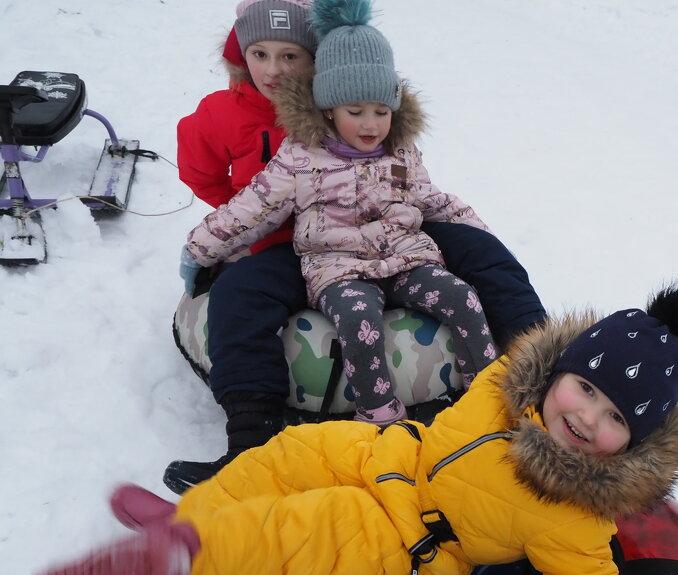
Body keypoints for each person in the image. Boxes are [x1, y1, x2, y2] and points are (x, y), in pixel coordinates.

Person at [31, 280, 678, 575]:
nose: (588, 418)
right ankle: (192, 516)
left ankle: (182, 563)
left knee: (311, 527)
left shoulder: (581, 506)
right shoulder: (512, 382)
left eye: (617, 421)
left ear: (633, 445)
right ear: (562, 370)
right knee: (285, 453)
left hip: (420, 538)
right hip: (395, 454)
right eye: (589, 389)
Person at [167, 0, 546, 493]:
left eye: (291, 57)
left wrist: (476, 231)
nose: (275, 71)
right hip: (299, 243)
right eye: (261, 55)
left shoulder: (362, 103)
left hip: (391, 228)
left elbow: (424, 191)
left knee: (483, 254)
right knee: (241, 291)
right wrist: (204, 248)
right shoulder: (238, 118)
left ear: (320, 61)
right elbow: (248, 203)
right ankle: (251, 447)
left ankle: (541, 379)